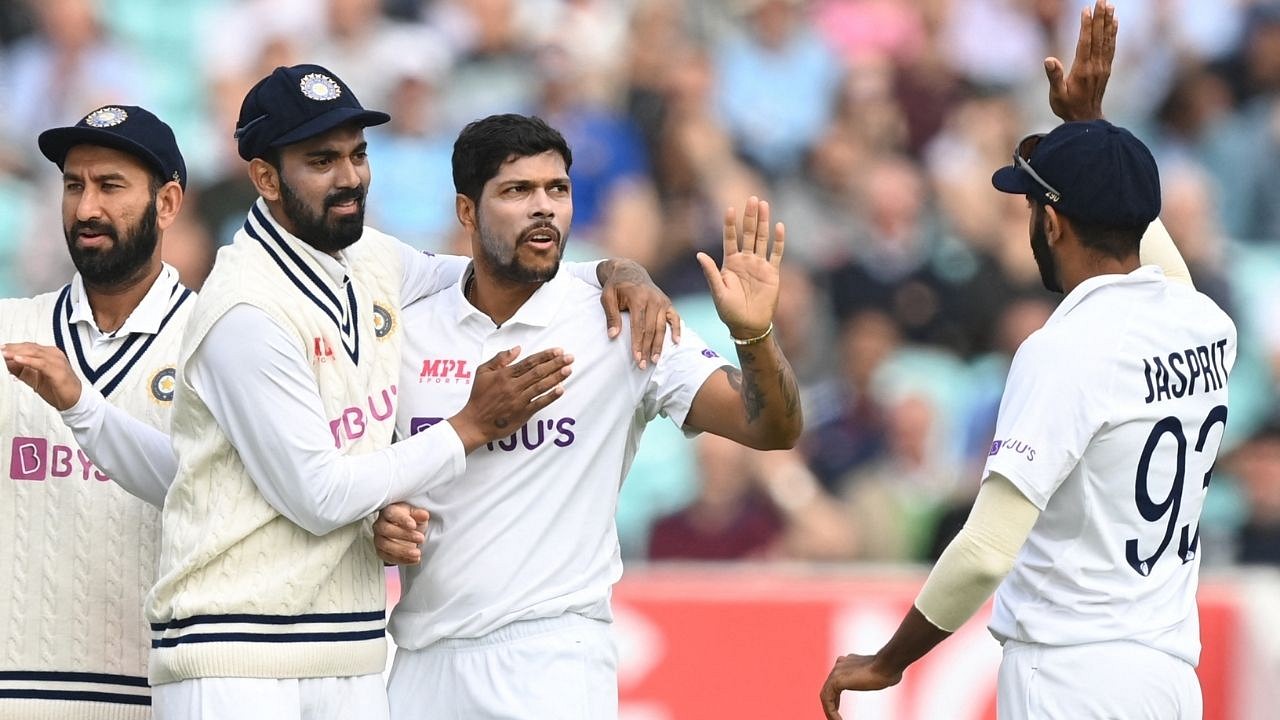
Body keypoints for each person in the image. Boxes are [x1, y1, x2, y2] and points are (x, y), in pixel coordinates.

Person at [131, 65, 677, 720]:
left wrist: (622, 272)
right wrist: (469, 426)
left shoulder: (368, 256)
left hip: (344, 649)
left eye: (358, 155)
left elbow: (504, 266)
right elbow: (321, 495)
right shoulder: (245, 310)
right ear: (266, 178)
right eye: (321, 160)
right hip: (234, 650)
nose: (349, 177)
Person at [819, 3, 1236, 719]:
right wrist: (1090, 131)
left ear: (1052, 220)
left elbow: (985, 548)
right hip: (1168, 679)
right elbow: (1150, 251)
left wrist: (887, 661)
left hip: (1073, 676)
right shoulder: (1207, 323)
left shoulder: (1064, 349)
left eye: (1032, 208)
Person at [372, 113, 803, 719]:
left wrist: (755, 335)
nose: (543, 208)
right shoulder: (407, 332)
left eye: (559, 189)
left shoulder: (627, 322)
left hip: (554, 659)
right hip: (418, 660)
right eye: (517, 191)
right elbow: (361, 486)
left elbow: (771, 428)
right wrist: (377, 526)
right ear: (467, 212)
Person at [0, 104, 190, 717]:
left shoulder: (219, 341)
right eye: (73, 185)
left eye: (110, 186)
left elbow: (214, 495)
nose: (85, 209)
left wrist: (81, 404)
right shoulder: (9, 328)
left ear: (166, 205)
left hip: (160, 695)